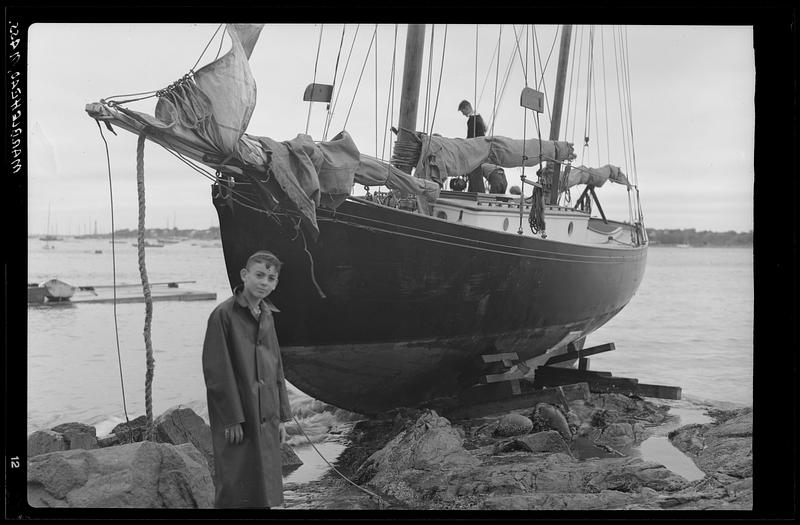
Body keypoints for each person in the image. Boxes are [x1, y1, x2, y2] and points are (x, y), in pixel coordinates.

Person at [202, 250, 292, 509]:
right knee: (236, 478)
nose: (264, 282)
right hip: (240, 412)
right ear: (245, 275)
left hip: (267, 410)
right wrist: (231, 418)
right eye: (259, 275)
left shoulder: (267, 314)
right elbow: (217, 371)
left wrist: (282, 417)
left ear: (276, 283)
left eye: (271, 278)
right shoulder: (224, 315)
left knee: (266, 479)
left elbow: (276, 367)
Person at [458, 100, 488, 192]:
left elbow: (470, 137)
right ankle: (475, 191)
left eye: (463, 112)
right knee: (475, 173)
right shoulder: (479, 118)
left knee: (474, 172)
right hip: (481, 149)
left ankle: (476, 192)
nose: (463, 114)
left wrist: (463, 146)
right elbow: (484, 130)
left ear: (466, 108)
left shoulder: (472, 119)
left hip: (474, 150)